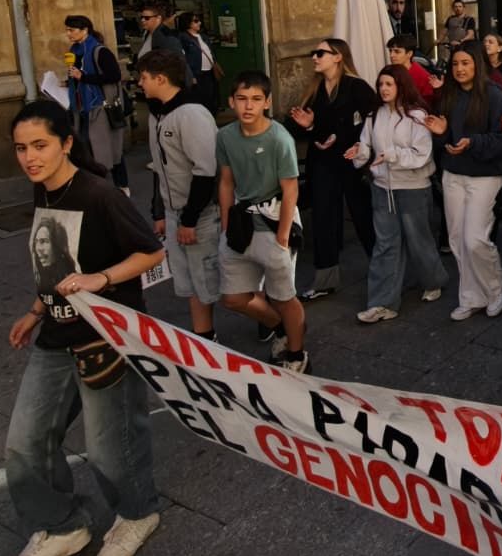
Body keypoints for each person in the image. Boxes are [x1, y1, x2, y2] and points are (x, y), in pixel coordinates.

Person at [0, 99, 165, 556]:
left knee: (110, 445)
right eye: (21, 148)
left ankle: (137, 514)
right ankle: (59, 526)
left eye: (40, 146)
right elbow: (54, 262)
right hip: (55, 335)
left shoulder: (98, 194)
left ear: (66, 143)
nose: (30, 157)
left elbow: (152, 251)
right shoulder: (43, 192)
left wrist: (101, 278)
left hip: (107, 338)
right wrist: (34, 311)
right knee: (25, 443)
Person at [216, 71, 310, 371]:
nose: (248, 106)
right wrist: (226, 221)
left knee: (284, 295)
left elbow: (290, 188)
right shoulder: (226, 136)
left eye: (256, 99)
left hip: (274, 219)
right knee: (232, 297)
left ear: (267, 102)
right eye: (242, 99)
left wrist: (283, 236)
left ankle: (296, 353)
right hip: (241, 222)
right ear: (231, 101)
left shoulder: (279, 138)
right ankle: (279, 327)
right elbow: (226, 181)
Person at [347, 65, 446, 323]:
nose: (383, 89)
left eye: (389, 84)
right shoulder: (373, 115)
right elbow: (367, 147)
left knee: (419, 240)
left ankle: (433, 280)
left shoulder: (417, 116)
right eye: (381, 84)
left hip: (413, 188)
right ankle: (382, 302)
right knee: (385, 244)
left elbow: (422, 154)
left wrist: (391, 155)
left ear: (401, 85)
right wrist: (358, 153)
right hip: (382, 188)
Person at [136, 50, 221, 341]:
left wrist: (189, 219)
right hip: (175, 213)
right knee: (190, 283)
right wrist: (159, 212)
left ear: (161, 79)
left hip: (198, 214)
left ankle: (273, 322)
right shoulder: (157, 115)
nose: (140, 83)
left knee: (213, 282)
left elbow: (205, 171)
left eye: (144, 78)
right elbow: (159, 167)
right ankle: (205, 337)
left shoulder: (192, 114)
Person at [287, 36, 378, 301]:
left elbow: (373, 121)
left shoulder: (356, 86)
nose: (315, 57)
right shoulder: (314, 90)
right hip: (323, 164)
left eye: (321, 53)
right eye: (314, 53)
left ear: (338, 56)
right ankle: (325, 280)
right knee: (324, 218)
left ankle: (384, 271)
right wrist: (309, 126)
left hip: (351, 161)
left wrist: (341, 136)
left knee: (363, 217)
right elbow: (298, 125)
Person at [426, 45, 502, 320]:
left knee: (475, 238)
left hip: (485, 176)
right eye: (455, 64)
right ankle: (471, 295)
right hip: (454, 174)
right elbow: (443, 139)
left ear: (476, 64)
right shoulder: (448, 96)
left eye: (465, 63)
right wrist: (440, 135)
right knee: (456, 239)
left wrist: (472, 143)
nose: (460, 69)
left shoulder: (494, 95)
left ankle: (495, 287)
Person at [63, 14, 129, 191]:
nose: (68, 33)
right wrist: (70, 81)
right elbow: (78, 77)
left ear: (85, 30)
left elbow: (114, 76)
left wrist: (83, 77)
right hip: (82, 107)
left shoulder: (99, 51)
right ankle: (97, 185)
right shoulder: (75, 52)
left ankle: (121, 184)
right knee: (87, 147)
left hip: (100, 107)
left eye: (72, 30)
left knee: (109, 148)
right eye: (67, 30)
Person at [136, 5, 192, 89]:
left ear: (158, 18)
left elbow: (178, 62)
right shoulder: (149, 34)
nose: (143, 20)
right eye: (142, 17)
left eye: (147, 18)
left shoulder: (166, 36)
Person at [175, 12, 220, 113]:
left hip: (209, 72)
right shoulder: (183, 37)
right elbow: (182, 58)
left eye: (199, 20)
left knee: (211, 97)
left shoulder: (203, 37)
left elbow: (210, 52)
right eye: (195, 21)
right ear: (188, 23)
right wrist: (190, 75)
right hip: (196, 73)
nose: (199, 23)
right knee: (199, 98)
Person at [388, 34, 438, 108]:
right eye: (390, 51)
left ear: (409, 54)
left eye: (397, 51)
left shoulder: (423, 76)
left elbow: (427, 105)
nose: (391, 55)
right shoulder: (389, 72)